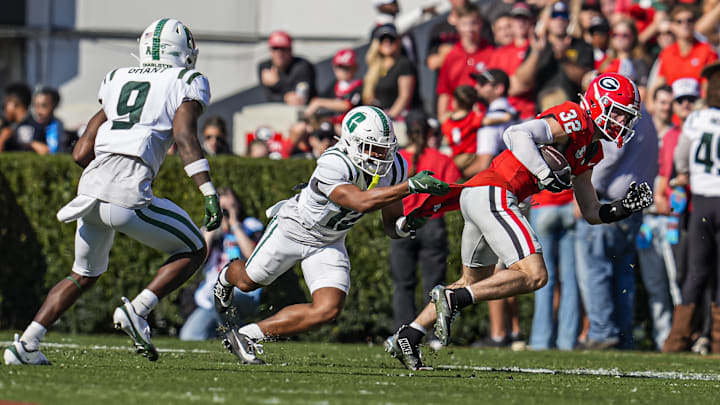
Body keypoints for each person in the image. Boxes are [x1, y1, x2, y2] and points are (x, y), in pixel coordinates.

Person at [386, 73, 651, 370]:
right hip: (495, 192)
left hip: (482, 195)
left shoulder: (591, 147)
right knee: (534, 275)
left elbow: (590, 210)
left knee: (474, 281)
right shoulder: (575, 117)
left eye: (626, 116)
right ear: (598, 103)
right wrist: (544, 173)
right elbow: (515, 134)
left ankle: (409, 334)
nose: (622, 122)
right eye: (618, 112)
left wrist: (622, 208)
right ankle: (452, 299)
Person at [3, 18, 220, 365]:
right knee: (195, 247)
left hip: (88, 191)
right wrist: (207, 190)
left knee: (83, 274)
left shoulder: (118, 78)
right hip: (127, 191)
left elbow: (80, 152)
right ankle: (139, 309)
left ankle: (26, 345)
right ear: (183, 53)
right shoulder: (185, 81)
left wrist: (105, 171)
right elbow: (184, 137)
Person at [213, 106, 451, 365]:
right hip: (293, 230)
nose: (382, 156)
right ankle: (226, 276)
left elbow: (391, 225)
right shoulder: (333, 162)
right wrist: (410, 186)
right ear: (350, 143)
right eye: (372, 148)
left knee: (328, 309)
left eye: (385, 148)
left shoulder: (395, 167)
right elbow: (359, 201)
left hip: (329, 241)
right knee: (248, 282)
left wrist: (408, 224)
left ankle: (247, 335)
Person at [574, 89, 658, 351]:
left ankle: (602, 332)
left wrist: (587, 194)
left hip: (609, 203)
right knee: (623, 274)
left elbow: (611, 156)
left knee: (595, 269)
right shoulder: (648, 119)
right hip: (631, 206)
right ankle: (623, 334)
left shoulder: (619, 118)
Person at [638, 78, 698, 351]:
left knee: (677, 281)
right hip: (647, 218)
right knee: (654, 285)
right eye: (661, 102)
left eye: (668, 103)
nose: (665, 108)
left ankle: (681, 336)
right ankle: (664, 337)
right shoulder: (641, 133)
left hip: (671, 217)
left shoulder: (677, 135)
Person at [389, 109, 461, 334]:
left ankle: (403, 331)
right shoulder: (442, 159)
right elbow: (451, 189)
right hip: (432, 223)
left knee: (403, 284)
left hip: (402, 223)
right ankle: (433, 332)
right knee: (435, 285)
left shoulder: (397, 160)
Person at [665, 62, 720, 355]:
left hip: (701, 201)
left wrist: (685, 173)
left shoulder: (696, 120)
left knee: (695, 272)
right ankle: (716, 340)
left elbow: (681, 159)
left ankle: (678, 339)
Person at [179, 188, 263, 341]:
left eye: (227, 206)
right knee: (189, 336)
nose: (224, 210)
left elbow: (254, 257)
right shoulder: (210, 231)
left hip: (244, 292)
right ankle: (233, 336)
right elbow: (198, 259)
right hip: (209, 296)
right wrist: (213, 226)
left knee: (219, 294)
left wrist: (235, 224)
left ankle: (238, 339)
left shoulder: (250, 225)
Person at [515, 1, 594, 110]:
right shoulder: (537, 45)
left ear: (569, 19)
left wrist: (565, 60)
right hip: (542, 111)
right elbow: (523, 81)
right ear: (547, 20)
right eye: (555, 15)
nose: (559, 19)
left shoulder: (582, 46)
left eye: (564, 15)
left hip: (573, 112)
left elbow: (586, 80)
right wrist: (536, 53)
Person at [436, 4, 496, 121]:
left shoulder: (491, 53)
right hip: (455, 118)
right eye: (464, 24)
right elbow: (444, 92)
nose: (469, 29)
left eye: (473, 23)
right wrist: (442, 120)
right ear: (457, 25)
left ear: (480, 24)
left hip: (482, 117)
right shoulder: (451, 56)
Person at [363, 24, 417, 120]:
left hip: (396, 118)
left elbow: (404, 97)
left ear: (398, 41)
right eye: (383, 39)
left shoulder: (403, 64)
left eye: (391, 39)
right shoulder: (375, 66)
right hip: (378, 118)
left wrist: (388, 118)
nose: (387, 42)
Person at [257, 30, 316, 105]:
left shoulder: (302, 67)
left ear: (290, 50)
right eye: (275, 48)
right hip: (275, 111)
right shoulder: (265, 67)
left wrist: (277, 84)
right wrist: (285, 97)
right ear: (270, 50)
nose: (279, 53)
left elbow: (299, 100)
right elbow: (268, 97)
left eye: (283, 49)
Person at [440, 85, 483, 176]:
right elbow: (486, 120)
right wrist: (506, 118)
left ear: (456, 102)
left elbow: (446, 139)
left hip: (455, 156)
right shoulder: (473, 117)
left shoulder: (447, 122)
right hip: (469, 156)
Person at [0, 83, 48, 154]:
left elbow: (46, 151)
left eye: (6, 104)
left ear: (14, 103)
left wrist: (29, 144)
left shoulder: (36, 126)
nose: (4, 108)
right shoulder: (6, 125)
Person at [32, 87, 68, 154]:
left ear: (54, 105)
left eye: (44, 106)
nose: (39, 111)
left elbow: (53, 151)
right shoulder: (30, 126)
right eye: (36, 106)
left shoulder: (57, 125)